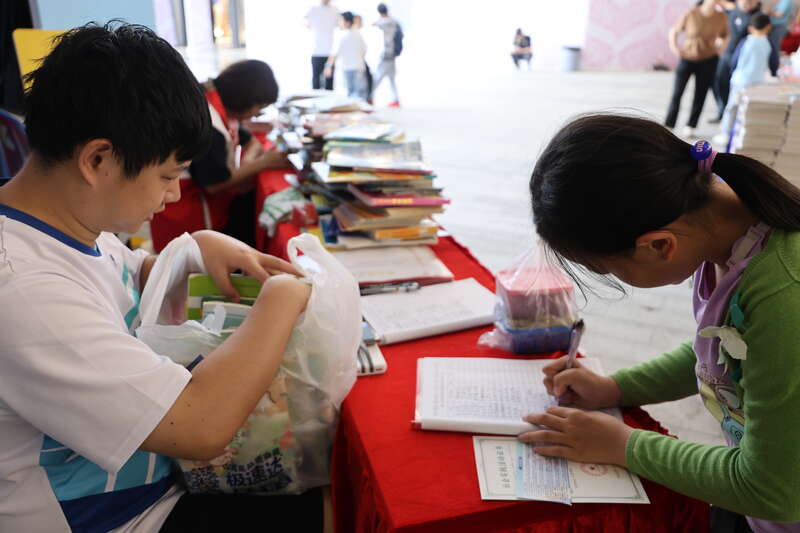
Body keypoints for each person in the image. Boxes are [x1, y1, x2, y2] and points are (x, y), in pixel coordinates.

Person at [0, 22, 326, 532]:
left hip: (149, 484)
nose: (173, 195)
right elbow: (200, 425)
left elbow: (125, 279)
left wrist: (199, 247)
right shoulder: (24, 289)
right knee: (322, 502)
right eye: (168, 176)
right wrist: (281, 299)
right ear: (98, 160)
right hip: (117, 517)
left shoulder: (65, 219)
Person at [524, 112, 800, 532]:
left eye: (610, 270)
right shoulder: (726, 237)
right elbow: (724, 352)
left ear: (658, 245)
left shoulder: (784, 296)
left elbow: (772, 489)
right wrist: (615, 388)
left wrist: (623, 444)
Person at [187, 59, 288, 248]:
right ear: (245, 99)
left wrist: (248, 161)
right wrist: (262, 163)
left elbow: (251, 141)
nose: (256, 115)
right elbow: (213, 185)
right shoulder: (209, 123)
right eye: (259, 108)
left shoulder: (222, 106)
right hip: (192, 217)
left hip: (213, 207)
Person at [665, 0, 728, 138]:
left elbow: (726, 35)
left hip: (709, 60)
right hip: (687, 57)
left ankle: (691, 125)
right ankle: (669, 124)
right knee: (677, 93)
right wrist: (675, 48)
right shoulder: (691, 13)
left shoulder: (721, 17)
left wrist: (721, 48)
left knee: (700, 94)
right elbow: (674, 31)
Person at [715, 13, 772, 144]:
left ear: (751, 27)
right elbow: (772, 62)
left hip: (740, 80)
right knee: (748, 108)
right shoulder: (768, 43)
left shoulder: (745, 41)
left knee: (732, 107)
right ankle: (744, 134)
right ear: (768, 27)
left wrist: (733, 71)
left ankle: (725, 133)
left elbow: (735, 60)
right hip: (757, 81)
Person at [712, 0, 765, 123]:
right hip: (727, 52)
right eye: (745, 3)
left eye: (751, 3)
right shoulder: (733, 11)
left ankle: (732, 116)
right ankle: (722, 110)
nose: (748, 6)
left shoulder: (756, 16)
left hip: (741, 57)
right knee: (719, 82)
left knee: (735, 87)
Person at [325, 11, 368, 100]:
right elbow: (364, 51)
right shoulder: (358, 34)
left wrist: (328, 66)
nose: (338, 23)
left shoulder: (341, 35)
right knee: (359, 96)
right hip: (359, 67)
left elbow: (334, 54)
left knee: (347, 96)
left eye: (340, 20)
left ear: (347, 22)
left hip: (346, 69)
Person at [371, 3, 401, 108]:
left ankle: (368, 97)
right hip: (393, 54)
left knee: (377, 77)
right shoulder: (394, 21)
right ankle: (396, 99)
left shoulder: (384, 22)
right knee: (391, 78)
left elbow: (374, 24)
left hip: (386, 54)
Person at [305, 0, 340, 90]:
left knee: (329, 83)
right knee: (316, 83)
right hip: (316, 52)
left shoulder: (335, 9)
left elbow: (340, 25)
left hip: (330, 53)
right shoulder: (313, 9)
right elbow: (305, 22)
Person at [768, 0, 796, 75]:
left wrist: (768, 11)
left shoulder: (786, 1)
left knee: (775, 46)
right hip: (776, 26)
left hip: (779, 26)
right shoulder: (783, 1)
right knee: (774, 46)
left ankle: (774, 69)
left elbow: (780, 14)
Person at [354, 14, 374, 104]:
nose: (361, 23)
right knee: (361, 85)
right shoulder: (354, 34)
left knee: (368, 81)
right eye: (359, 21)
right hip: (357, 63)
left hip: (361, 61)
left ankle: (368, 100)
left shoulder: (360, 33)